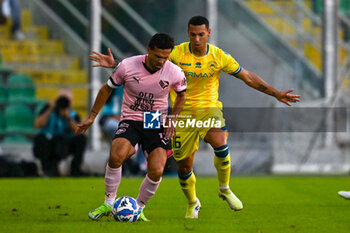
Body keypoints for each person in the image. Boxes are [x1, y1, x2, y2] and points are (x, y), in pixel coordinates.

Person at [90, 16, 301, 219]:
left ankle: (224, 188)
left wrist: (276, 93)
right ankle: (192, 203)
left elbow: (248, 77)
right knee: (184, 166)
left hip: (208, 110)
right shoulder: (176, 54)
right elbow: (147, 62)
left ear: (208, 33)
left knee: (219, 141)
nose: (197, 39)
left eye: (201, 34)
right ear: (188, 34)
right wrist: (117, 64)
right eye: (193, 34)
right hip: (179, 115)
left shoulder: (219, 56)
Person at [78, 33, 187, 221]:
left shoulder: (174, 72)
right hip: (132, 118)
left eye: (165, 57)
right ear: (149, 50)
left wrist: (172, 119)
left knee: (157, 169)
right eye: (158, 56)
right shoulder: (127, 66)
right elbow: (106, 89)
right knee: (116, 156)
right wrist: (92, 116)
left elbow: (182, 95)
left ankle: (138, 207)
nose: (161, 61)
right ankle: (108, 203)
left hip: (155, 121)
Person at [33, 89, 87, 176]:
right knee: (40, 138)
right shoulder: (47, 110)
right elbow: (37, 125)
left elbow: (79, 131)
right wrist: (50, 108)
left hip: (66, 143)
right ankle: (48, 170)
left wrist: (68, 117)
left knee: (81, 139)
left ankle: (76, 170)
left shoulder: (73, 114)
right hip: (49, 143)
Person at [99, 87, 147, 175]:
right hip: (112, 120)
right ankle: (126, 160)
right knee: (119, 128)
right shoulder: (117, 88)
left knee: (149, 132)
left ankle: (140, 166)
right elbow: (109, 113)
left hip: (132, 121)